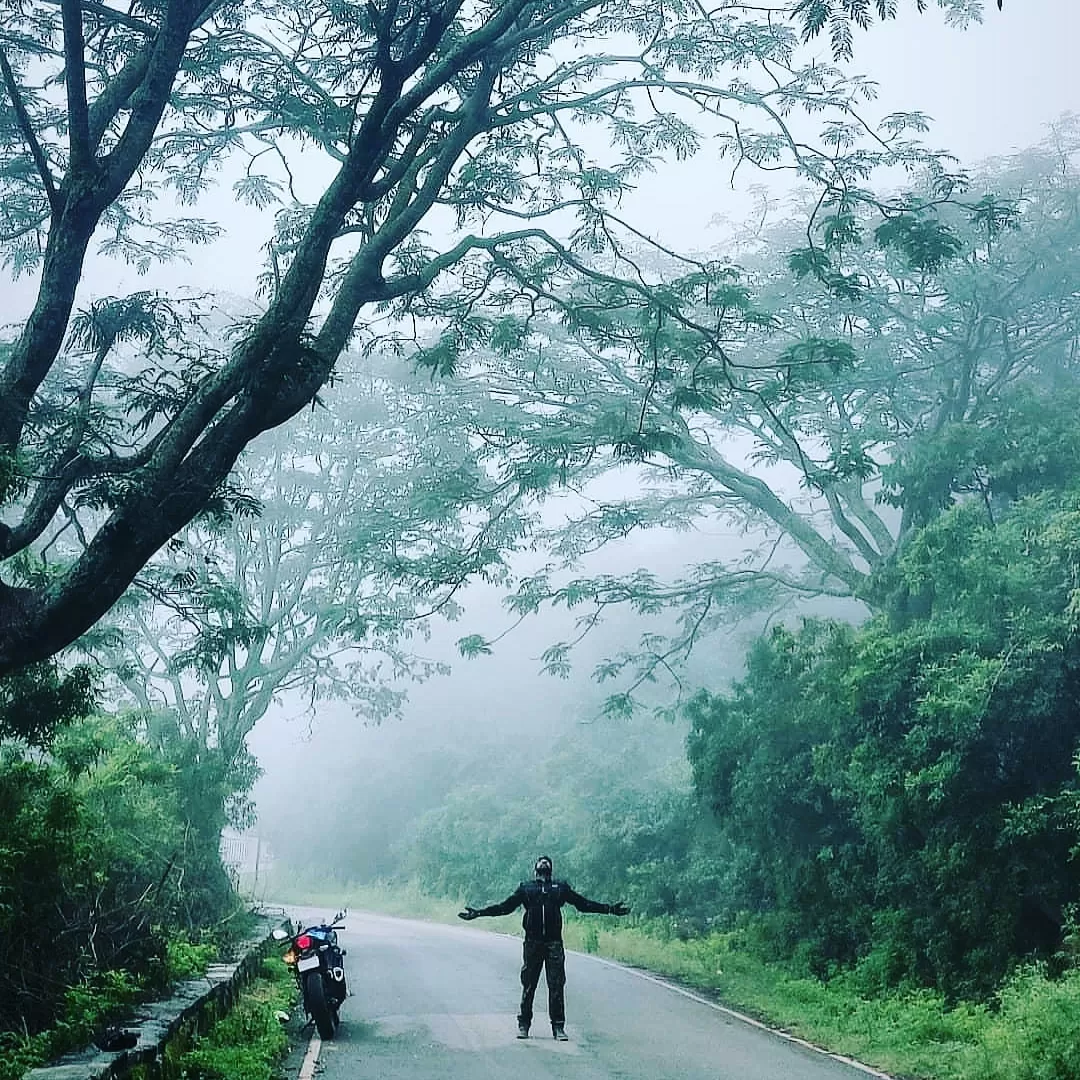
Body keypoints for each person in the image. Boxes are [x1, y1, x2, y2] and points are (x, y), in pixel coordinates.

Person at [458, 855, 629, 1040]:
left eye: (546, 862)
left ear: (550, 869)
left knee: (556, 985)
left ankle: (558, 1027)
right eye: (541, 862)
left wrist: (609, 909)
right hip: (533, 942)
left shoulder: (559, 888)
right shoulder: (527, 888)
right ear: (535, 869)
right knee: (529, 984)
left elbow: (583, 904)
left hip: (554, 943)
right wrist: (479, 913)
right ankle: (524, 1025)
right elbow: (505, 907)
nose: (543, 864)